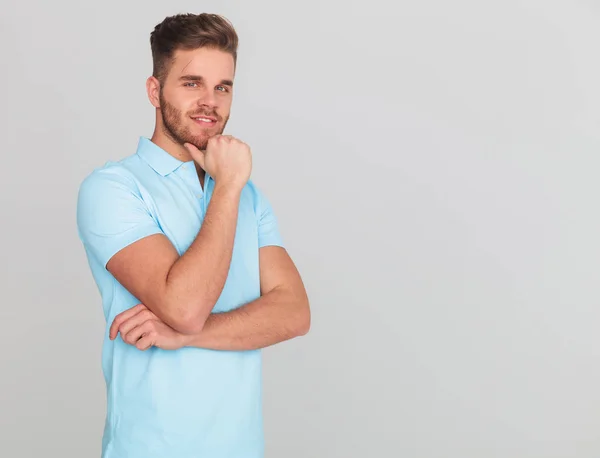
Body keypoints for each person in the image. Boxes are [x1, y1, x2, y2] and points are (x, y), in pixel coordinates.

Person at [76, 12, 310, 458]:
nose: (210, 101)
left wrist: (188, 337)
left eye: (223, 87)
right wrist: (227, 187)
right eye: (192, 83)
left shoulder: (246, 194)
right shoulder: (113, 188)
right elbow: (183, 307)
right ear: (154, 90)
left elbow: (295, 312)